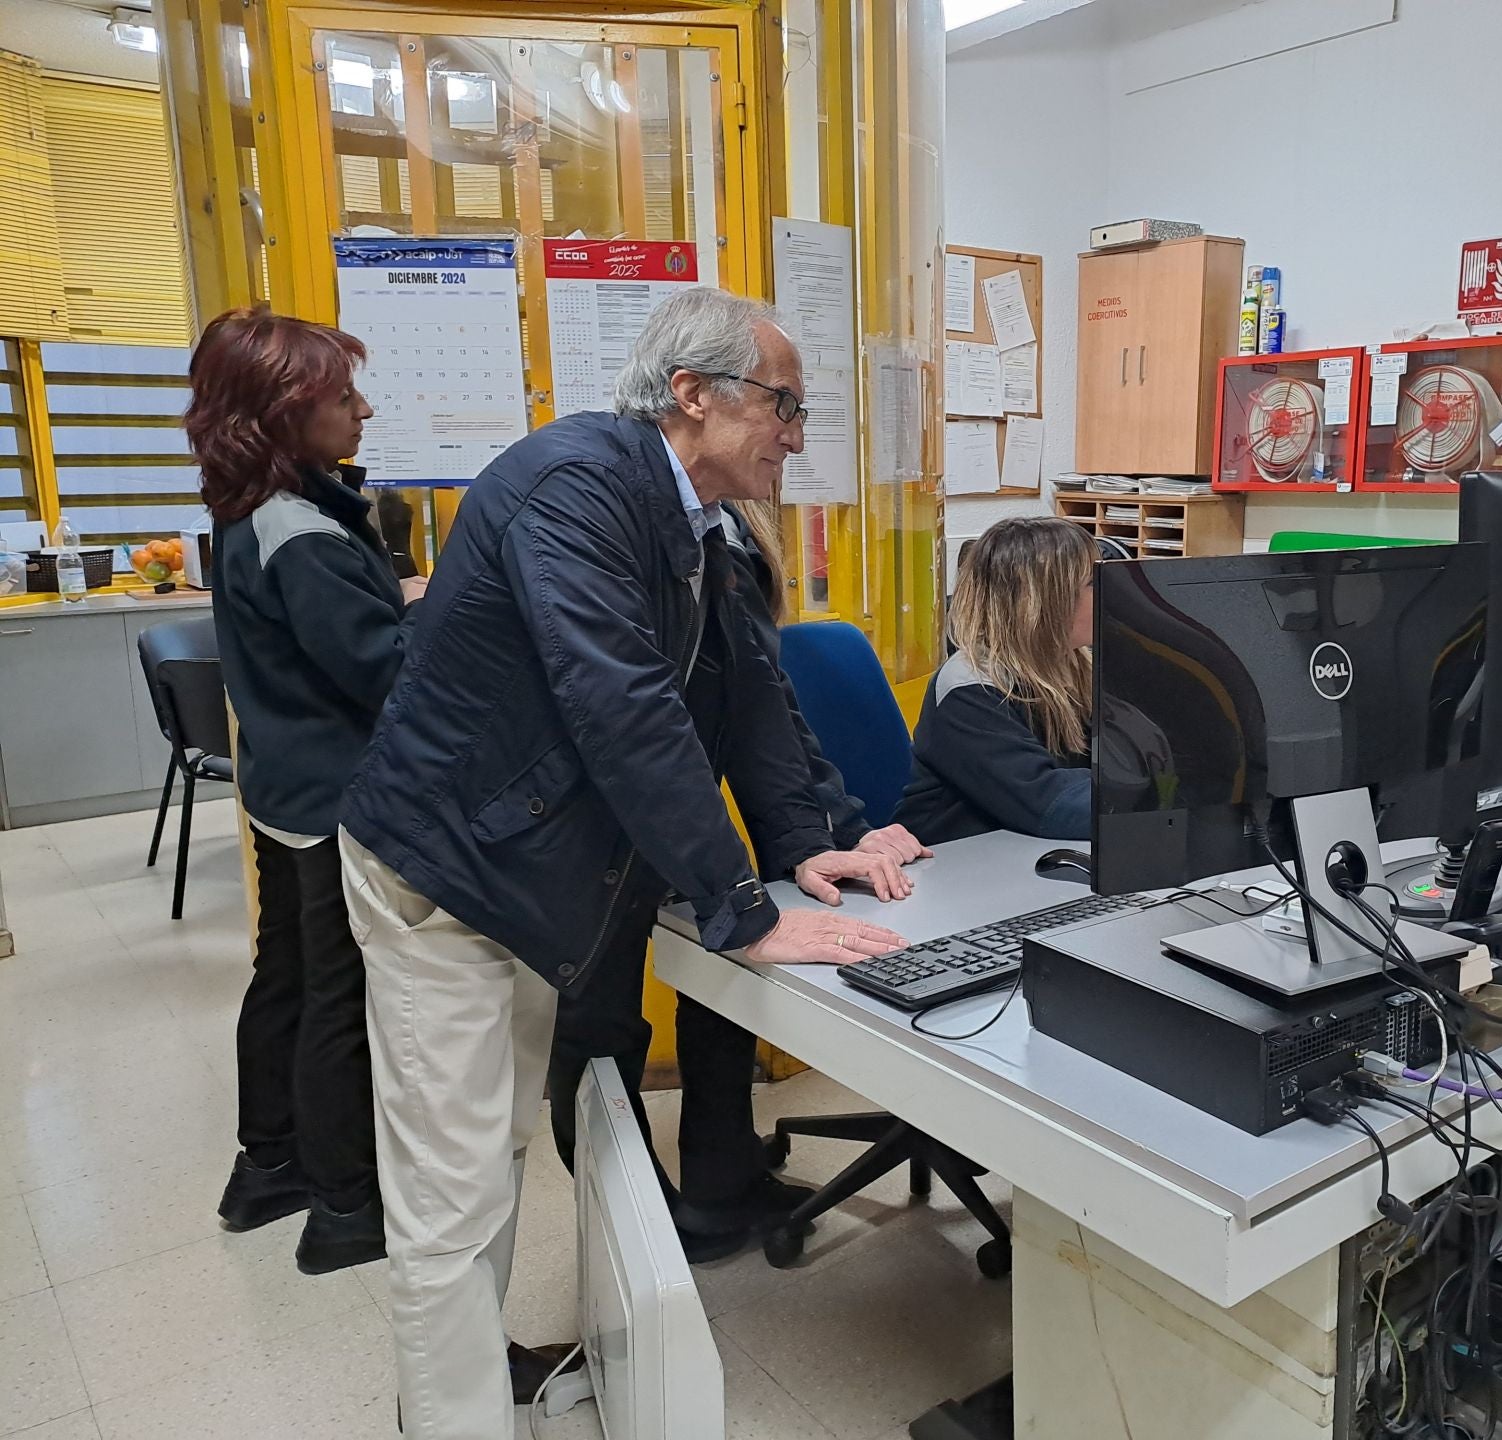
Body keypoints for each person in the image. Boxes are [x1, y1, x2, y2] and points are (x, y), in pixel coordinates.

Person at [337, 287, 911, 1440]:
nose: (797, 437)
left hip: (536, 862)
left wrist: (809, 846)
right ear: (692, 396)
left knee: (504, 1145)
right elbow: (623, 703)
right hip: (443, 872)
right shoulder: (577, 486)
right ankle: (451, 1418)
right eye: (782, 406)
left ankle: (464, 1375)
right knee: (457, 1181)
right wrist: (742, 912)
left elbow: (753, 701)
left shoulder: (705, 526)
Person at [543, 496, 931, 1250]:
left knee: (720, 978)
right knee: (596, 1027)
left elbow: (767, 710)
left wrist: (838, 829)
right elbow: (633, 723)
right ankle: (642, 1237)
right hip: (589, 817)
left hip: (678, 803)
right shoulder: (613, 526)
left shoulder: (728, 533)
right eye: (778, 407)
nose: (789, 436)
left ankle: (722, 1187)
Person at [183, 306, 422, 1274]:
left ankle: (267, 1165)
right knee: (341, 994)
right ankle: (345, 1207)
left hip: (280, 786)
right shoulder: (299, 529)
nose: (361, 409)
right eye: (339, 397)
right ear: (284, 414)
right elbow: (382, 670)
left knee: (283, 973)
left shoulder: (253, 507)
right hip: (333, 800)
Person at [893, 516, 1099, 845]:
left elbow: (1130, 758)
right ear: (1043, 601)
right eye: (1093, 582)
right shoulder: (969, 688)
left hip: (1025, 850)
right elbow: (1045, 802)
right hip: (954, 867)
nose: (1109, 591)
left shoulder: (1078, 666)